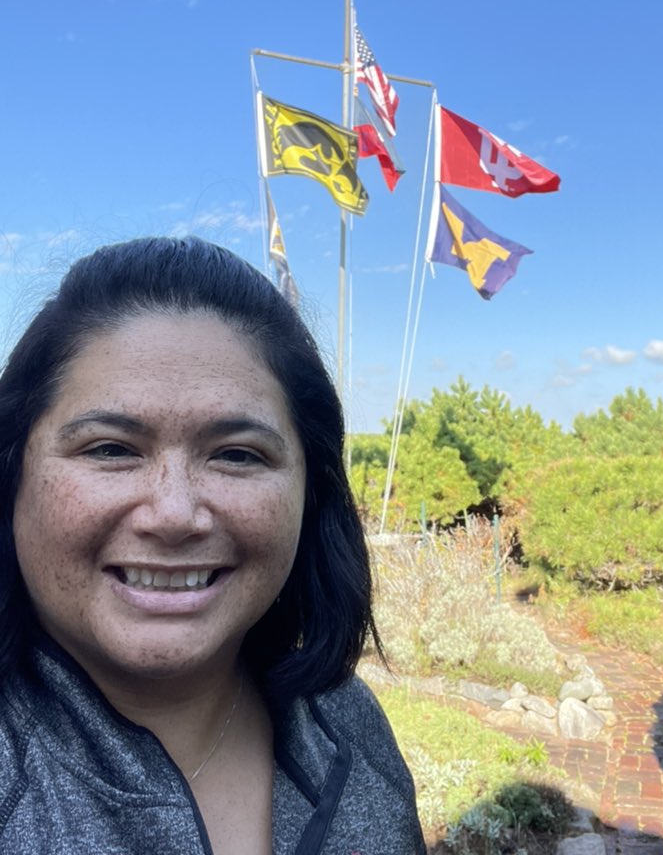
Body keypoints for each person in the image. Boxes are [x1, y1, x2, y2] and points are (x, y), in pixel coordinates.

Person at [0, 237, 426, 855]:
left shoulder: (348, 721)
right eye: (111, 448)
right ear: (14, 474)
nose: (174, 514)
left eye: (236, 455)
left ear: (311, 492)